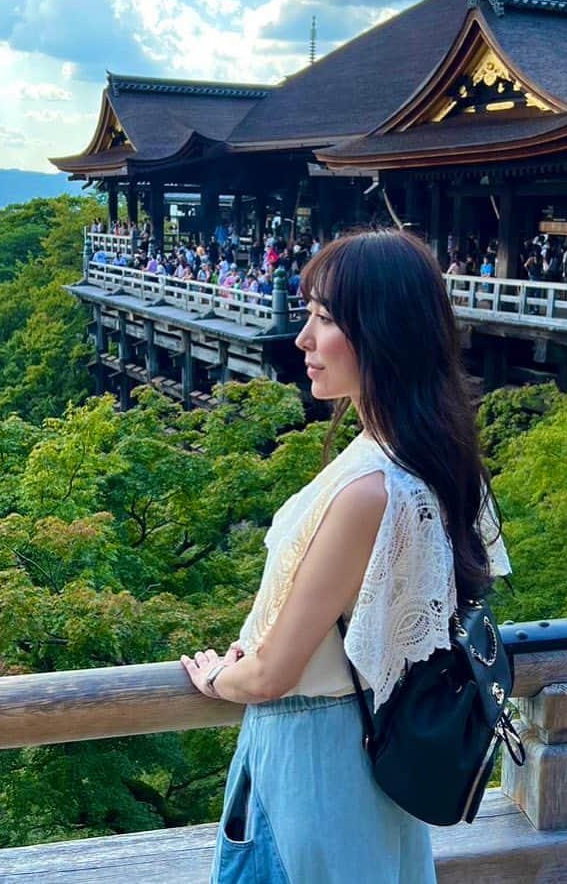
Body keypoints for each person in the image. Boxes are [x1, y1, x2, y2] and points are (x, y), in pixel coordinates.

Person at [180, 229, 510, 884]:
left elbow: (272, 672)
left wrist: (217, 676)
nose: (302, 337)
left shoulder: (369, 487)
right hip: (377, 759)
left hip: (308, 760)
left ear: (382, 333)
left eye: (324, 318)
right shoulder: (434, 463)